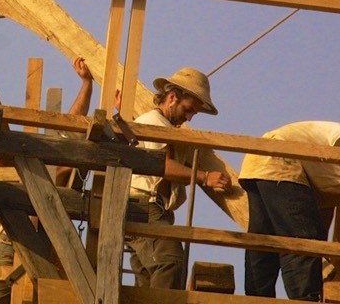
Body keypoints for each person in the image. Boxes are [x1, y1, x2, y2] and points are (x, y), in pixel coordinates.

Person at [0, 56, 94, 304]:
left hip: (46, 250)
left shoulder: (61, 171)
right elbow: (70, 127)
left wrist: (87, 84)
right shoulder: (40, 163)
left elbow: (73, 126)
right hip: (8, 246)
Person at [126, 67, 232, 290]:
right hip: (145, 206)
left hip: (151, 208)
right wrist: (204, 177)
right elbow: (160, 165)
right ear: (172, 98)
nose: (190, 117)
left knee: (148, 276)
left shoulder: (164, 127)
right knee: (170, 262)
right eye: (188, 109)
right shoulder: (154, 123)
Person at [238, 121, 340, 301]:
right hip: (282, 159)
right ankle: (304, 300)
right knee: (302, 239)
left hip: (260, 161)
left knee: (264, 240)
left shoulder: (328, 175)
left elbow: (324, 212)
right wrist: (314, 244)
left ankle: (257, 299)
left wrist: (321, 247)